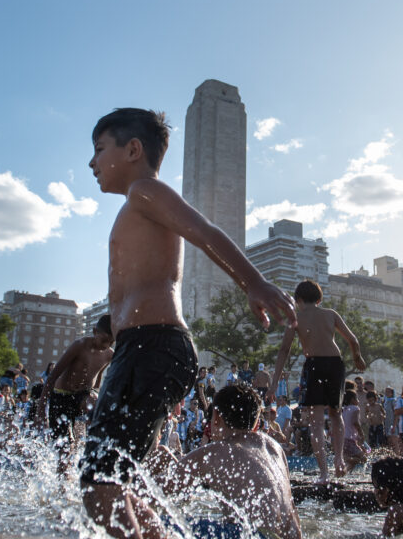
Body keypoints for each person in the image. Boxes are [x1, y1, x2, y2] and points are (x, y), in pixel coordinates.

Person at [81, 108, 297, 539]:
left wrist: (253, 282)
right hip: (142, 350)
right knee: (112, 481)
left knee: (98, 485)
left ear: (133, 150)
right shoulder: (136, 203)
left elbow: (205, 231)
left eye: (99, 150)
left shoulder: (146, 190)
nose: (92, 163)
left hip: (153, 344)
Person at [149, 384, 302, 539]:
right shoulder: (275, 448)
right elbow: (291, 512)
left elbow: (156, 492)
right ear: (256, 423)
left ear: (216, 417)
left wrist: (151, 465)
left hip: (252, 536)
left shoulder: (216, 451)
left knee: (150, 520)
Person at [272, 280, 365, 481]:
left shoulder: (295, 317)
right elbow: (353, 340)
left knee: (315, 421)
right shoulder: (331, 314)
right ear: (319, 299)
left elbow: (284, 351)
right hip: (335, 363)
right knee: (335, 413)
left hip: (314, 364)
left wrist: (273, 383)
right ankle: (339, 461)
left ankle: (324, 472)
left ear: (298, 300)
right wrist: (357, 357)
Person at [37, 315, 114, 475]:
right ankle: (62, 484)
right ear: (94, 332)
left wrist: (96, 390)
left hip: (83, 395)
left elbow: (99, 374)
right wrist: (41, 408)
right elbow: (52, 376)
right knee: (65, 447)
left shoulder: (109, 354)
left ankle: (96, 449)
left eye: (111, 342)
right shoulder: (79, 346)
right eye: (104, 340)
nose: (106, 345)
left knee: (94, 402)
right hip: (61, 396)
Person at [341, 390, 367, 473]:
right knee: (364, 458)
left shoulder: (344, 409)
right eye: (357, 398)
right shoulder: (355, 408)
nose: (358, 401)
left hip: (343, 439)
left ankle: (343, 473)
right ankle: (344, 458)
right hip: (350, 439)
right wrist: (361, 433)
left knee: (351, 463)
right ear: (352, 399)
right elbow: (355, 422)